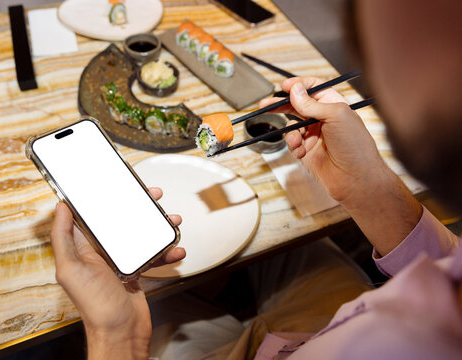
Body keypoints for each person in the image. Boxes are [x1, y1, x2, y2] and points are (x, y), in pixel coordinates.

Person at [50, 0, 462, 358]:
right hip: (348, 313)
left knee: (160, 302)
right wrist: (367, 185)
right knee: (292, 250)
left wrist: (116, 336)